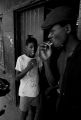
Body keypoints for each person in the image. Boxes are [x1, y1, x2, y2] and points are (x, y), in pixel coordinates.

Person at [39, 6, 81, 119]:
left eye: (52, 31)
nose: (48, 36)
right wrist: (46, 61)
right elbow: (54, 83)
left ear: (67, 29)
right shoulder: (59, 54)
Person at [15, 35, 42, 120]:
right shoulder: (21, 59)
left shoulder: (38, 59)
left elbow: (39, 74)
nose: (33, 49)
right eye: (31, 47)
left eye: (35, 46)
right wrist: (28, 68)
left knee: (33, 112)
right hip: (25, 93)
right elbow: (17, 77)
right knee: (24, 114)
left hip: (35, 92)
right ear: (26, 47)